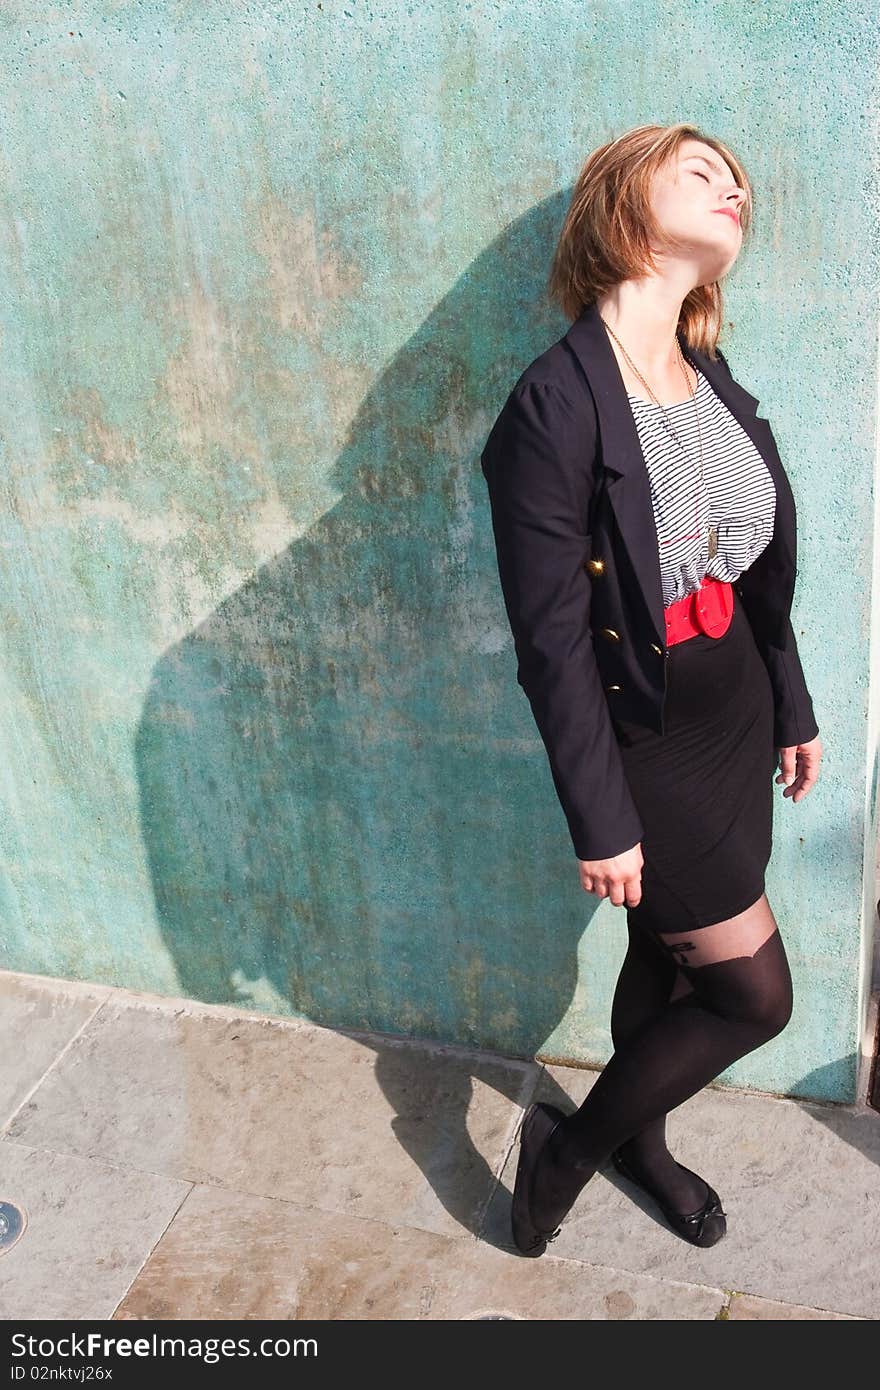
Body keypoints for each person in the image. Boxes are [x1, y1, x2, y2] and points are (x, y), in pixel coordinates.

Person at [479, 122, 822, 1256]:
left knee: (663, 962)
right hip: (647, 736)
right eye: (702, 171)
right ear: (626, 204)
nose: (733, 188)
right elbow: (552, 642)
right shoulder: (553, 404)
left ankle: (642, 1143)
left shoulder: (708, 374)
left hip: (732, 720)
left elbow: (753, 566)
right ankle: (564, 1154)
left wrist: (790, 696)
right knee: (748, 996)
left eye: (739, 179)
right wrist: (602, 816)